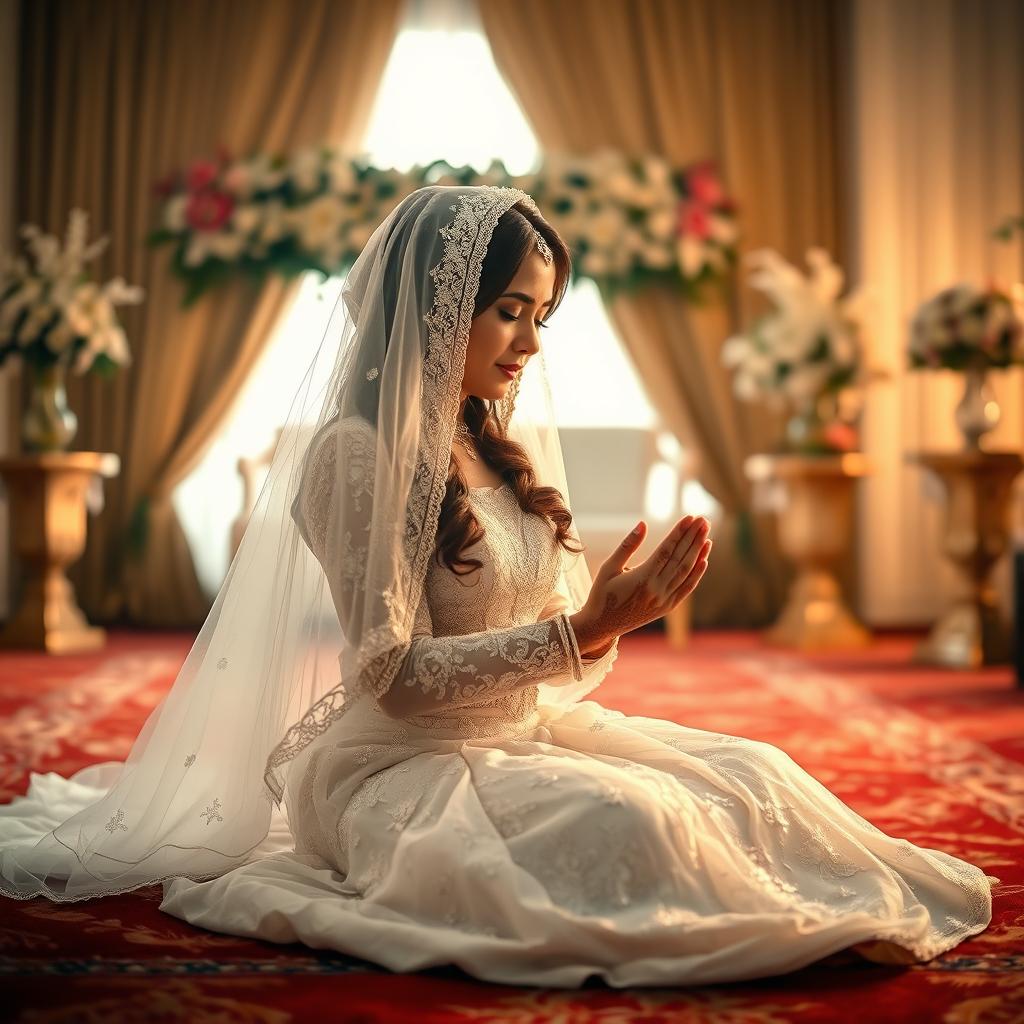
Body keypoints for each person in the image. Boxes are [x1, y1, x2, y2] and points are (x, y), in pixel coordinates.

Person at [0, 185, 994, 988]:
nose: (528, 342)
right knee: (635, 820)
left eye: (541, 315)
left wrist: (602, 625)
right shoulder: (355, 457)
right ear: (435, 308)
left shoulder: (485, 442)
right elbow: (387, 674)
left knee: (753, 777)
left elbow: (540, 657)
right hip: (394, 766)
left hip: (517, 740)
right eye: (510, 310)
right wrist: (581, 631)